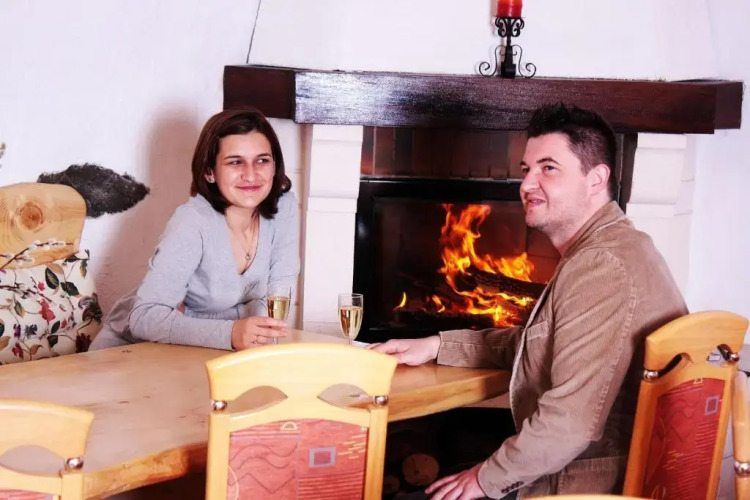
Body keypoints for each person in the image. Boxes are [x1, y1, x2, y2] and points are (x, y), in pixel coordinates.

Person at [371, 103, 688, 499]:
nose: (526, 184)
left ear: (596, 179)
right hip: (592, 472)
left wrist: (483, 479)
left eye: (548, 168)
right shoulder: (619, 247)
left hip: (585, 486)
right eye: (526, 169)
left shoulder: (601, 266)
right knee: (457, 448)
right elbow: (542, 342)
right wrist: (437, 345)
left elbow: (569, 424)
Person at [91, 109, 299, 351]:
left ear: (275, 166)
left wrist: (201, 321)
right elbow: (144, 318)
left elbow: (276, 302)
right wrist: (232, 330)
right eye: (235, 162)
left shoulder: (283, 208)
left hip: (199, 350)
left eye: (262, 160)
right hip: (129, 351)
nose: (251, 175)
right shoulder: (193, 221)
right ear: (209, 172)